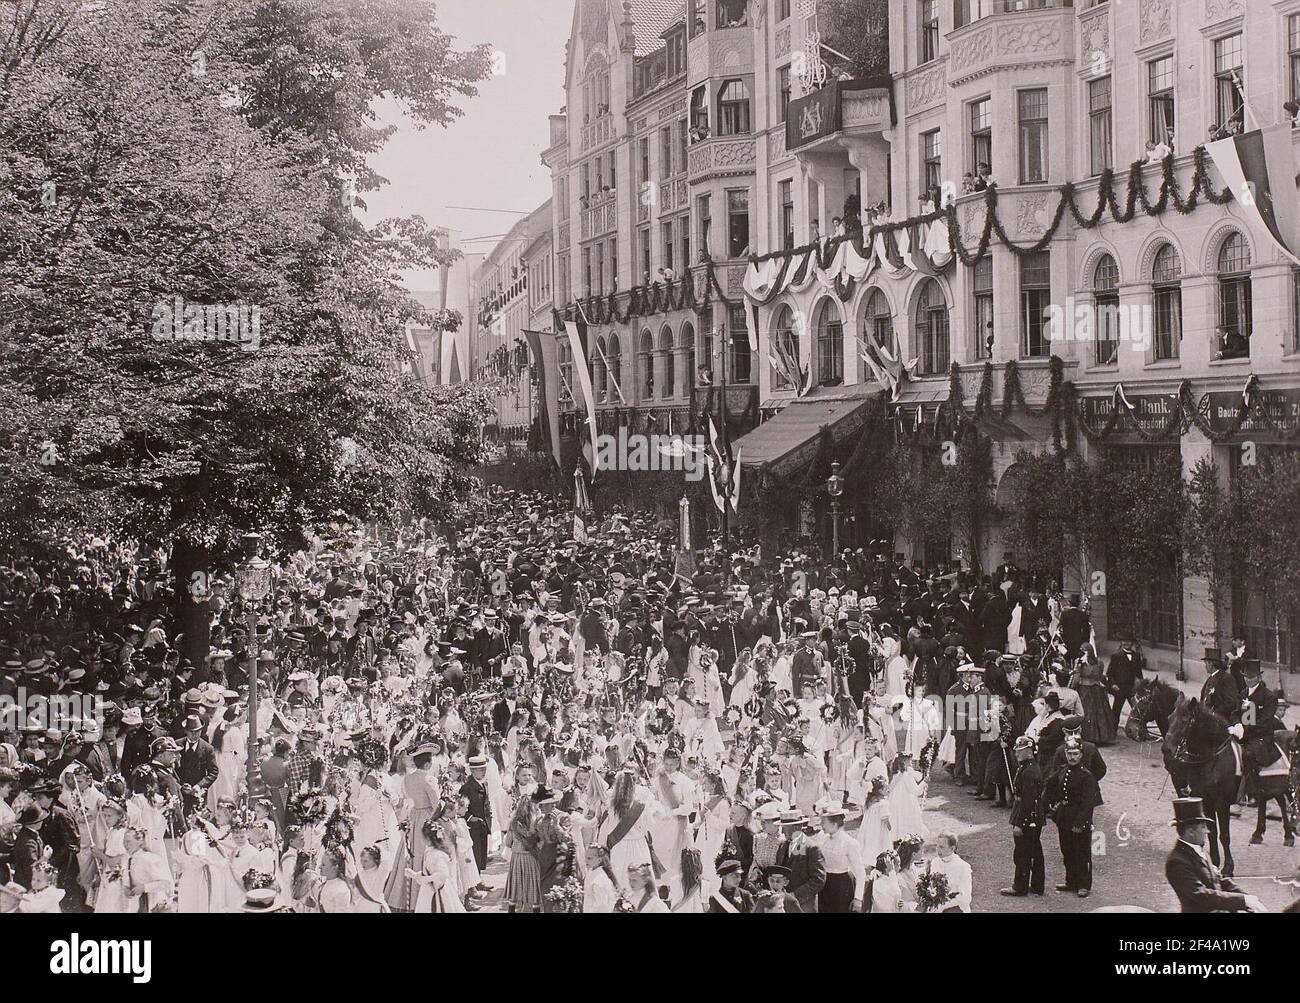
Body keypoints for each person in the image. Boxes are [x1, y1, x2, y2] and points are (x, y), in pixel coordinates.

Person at [1165, 797, 1265, 913]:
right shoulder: (1177, 861)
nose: (1207, 831)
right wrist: (1242, 900)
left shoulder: (1201, 852)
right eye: (1203, 827)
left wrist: (1249, 899)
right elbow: (1200, 895)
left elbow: (1220, 881)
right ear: (1190, 831)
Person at [1042, 738, 1099, 898]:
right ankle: (1070, 881)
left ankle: (1083, 884)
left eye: (1075, 754)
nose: (1072, 757)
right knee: (1067, 850)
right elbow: (1051, 786)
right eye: (1069, 754)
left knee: (1081, 853)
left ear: (1081, 755)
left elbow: (1087, 804)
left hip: (1078, 820)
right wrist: (1051, 803)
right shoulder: (1062, 770)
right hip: (1064, 818)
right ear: (1065, 754)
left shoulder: (1086, 776)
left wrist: (1080, 823)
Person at [1000, 736, 1045, 898]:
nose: (1017, 754)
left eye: (1020, 751)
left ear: (1029, 752)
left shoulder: (1029, 772)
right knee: (1035, 850)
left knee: (1023, 852)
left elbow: (1027, 801)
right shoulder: (1029, 767)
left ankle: (1020, 886)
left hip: (1028, 815)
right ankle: (1038, 885)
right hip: (1033, 815)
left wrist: (1020, 823)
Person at [815, 805, 865, 913]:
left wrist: (858, 899)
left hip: (842, 885)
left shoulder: (849, 843)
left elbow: (860, 872)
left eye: (823, 822)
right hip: (825, 884)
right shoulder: (822, 837)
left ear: (834, 824)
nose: (821, 825)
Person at [1106, 634, 1146, 729]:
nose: (1126, 643)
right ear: (1121, 642)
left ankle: (1142, 730)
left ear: (1132, 643)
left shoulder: (1136, 656)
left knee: (1138, 710)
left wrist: (1141, 685)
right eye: (1124, 641)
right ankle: (1112, 731)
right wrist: (1113, 684)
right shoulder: (1116, 656)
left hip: (1132, 689)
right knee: (1116, 711)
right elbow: (1109, 673)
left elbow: (1139, 673)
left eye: (1128, 641)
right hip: (1120, 689)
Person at [927, 832, 972, 912]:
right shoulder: (935, 862)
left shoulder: (963, 867)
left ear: (952, 848)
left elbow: (965, 898)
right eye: (937, 846)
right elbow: (932, 887)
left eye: (942, 847)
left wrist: (942, 906)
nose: (938, 850)